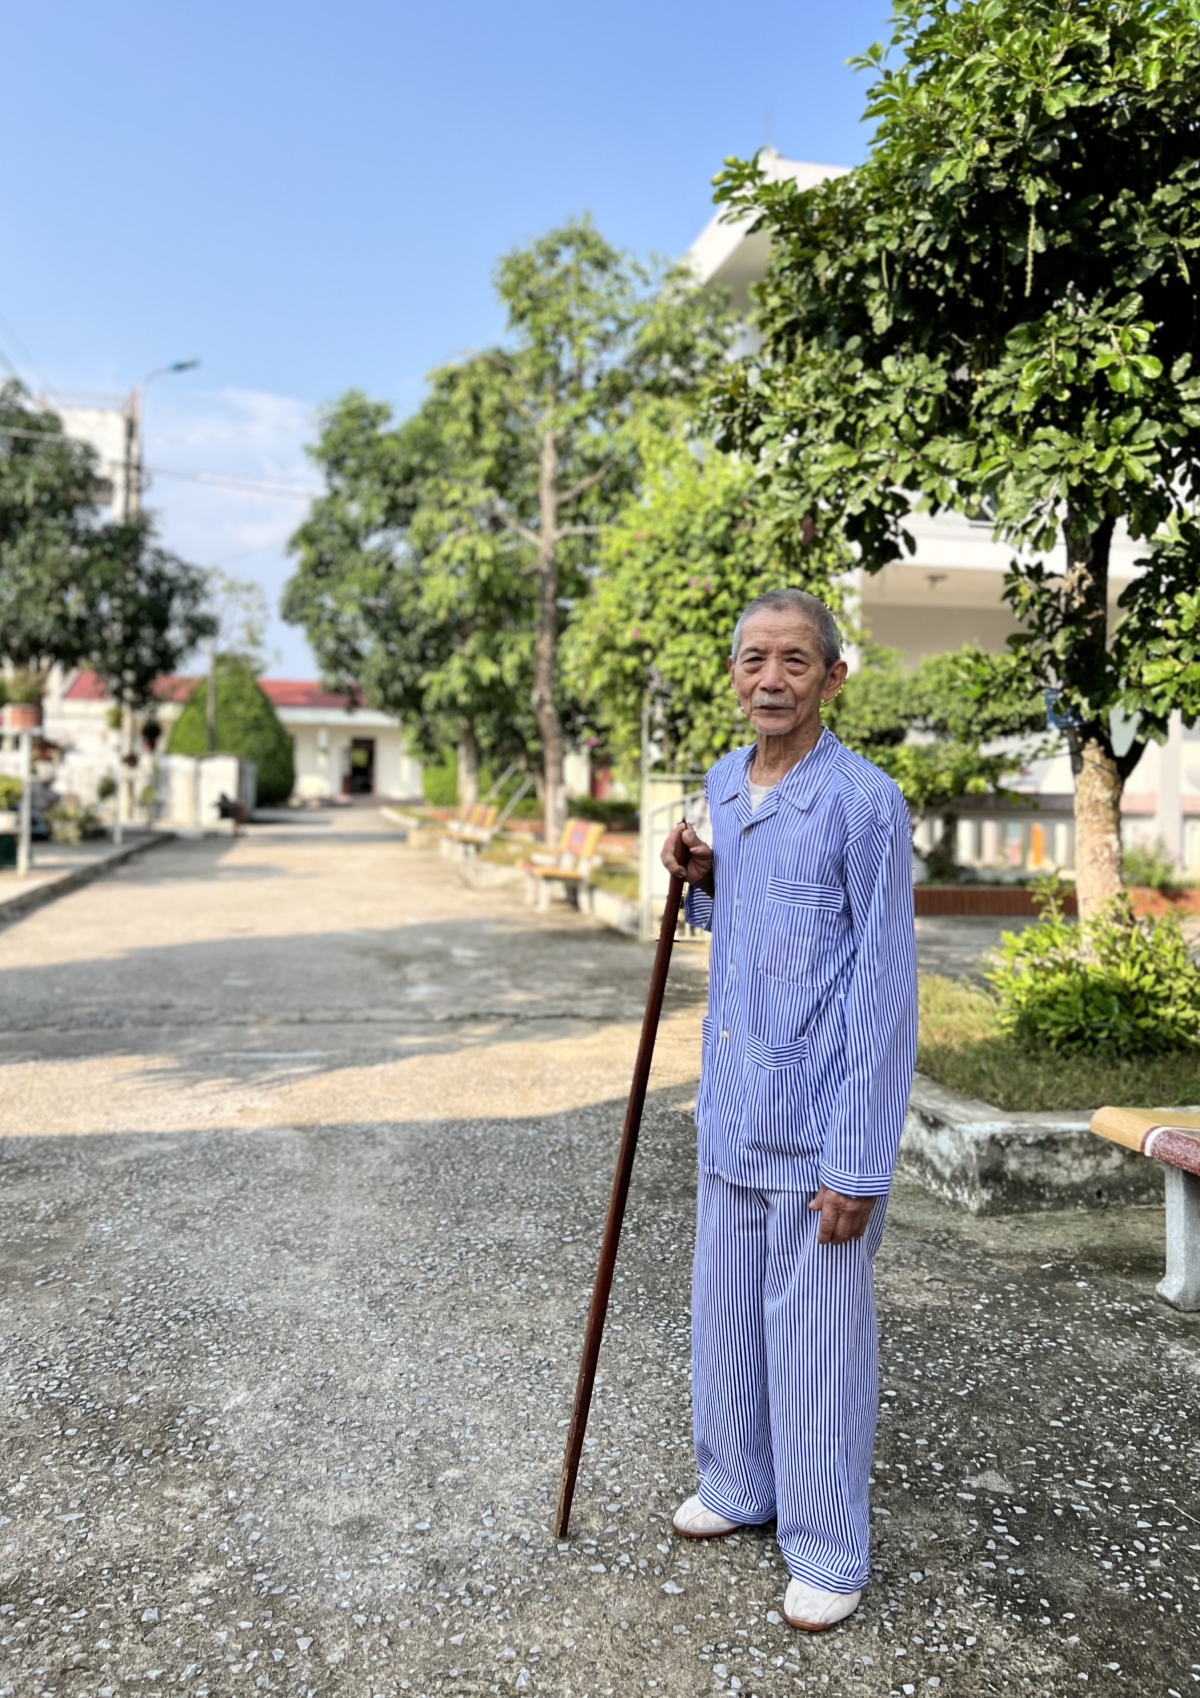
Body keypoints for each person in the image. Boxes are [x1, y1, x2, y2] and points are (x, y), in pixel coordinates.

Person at [660, 587, 917, 1633]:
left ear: (833, 678)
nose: (771, 679)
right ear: (734, 674)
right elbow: (757, 924)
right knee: (724, 1320)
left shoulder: (864, 800)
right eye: (753, 660)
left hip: (819, 1126)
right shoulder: (725, 784)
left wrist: (859, 1158)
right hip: (732, 1106)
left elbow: (884, 985)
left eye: (796, 662)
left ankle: (825, 1544)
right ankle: (737, 1483)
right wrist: (701, 879)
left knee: (814, 1345)